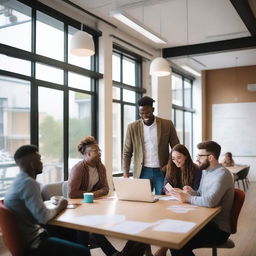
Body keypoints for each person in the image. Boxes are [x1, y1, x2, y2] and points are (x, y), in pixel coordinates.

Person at [4, 145, 90, 256]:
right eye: (39, 159)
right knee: (83, 252)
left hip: (28, 236)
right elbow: (43, 217)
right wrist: (60, 205)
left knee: (72, 232)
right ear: (32, 164)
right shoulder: (29, 184)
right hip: (35, 243)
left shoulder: (18, 182)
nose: (42, 163)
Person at [68, 136, 148, 256]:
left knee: (96, 227)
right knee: (89, 228)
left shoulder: (100, 167)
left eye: (100, 151)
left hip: (91, 205)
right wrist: (93, 194)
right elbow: (72, 193)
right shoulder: (78, 168)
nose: (100, 154)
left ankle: (113, 253)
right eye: (97, 152)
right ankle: (109, 253)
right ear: (88, 154)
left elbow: (105, 188)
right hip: (78, 207)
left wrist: (95, 194)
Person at [168, 141, 234, 256]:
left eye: (200, 156)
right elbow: (201, 194)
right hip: (204, 221)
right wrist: (192, 192)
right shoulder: (206, 171)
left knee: (176, 243)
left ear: (211, 157)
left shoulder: (222, 174)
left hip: (218, 229)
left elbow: (210, 201)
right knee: (174, 236)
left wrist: (187, 198)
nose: (197, 159)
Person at [123, 96, 179, 195]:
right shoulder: (132, 127)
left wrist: (169, 165)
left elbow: (176, 148)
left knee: (165, 197)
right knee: (142, 200)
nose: (145, 116)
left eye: (148, 113)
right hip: (142, 171)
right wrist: (126, 173)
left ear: (153, 110)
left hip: (162, 171)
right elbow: (127, 152)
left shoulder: (167, 124)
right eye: (142, 113)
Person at [154, 144, 202, 256]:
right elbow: (165, 187)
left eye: (179, 157)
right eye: (173, 158)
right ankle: (164, 248)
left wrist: (186, 191)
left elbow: (198, 190)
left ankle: (163, 248)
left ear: (186, 156)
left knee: (173, 223)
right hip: (174, 204)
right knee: (164, 219)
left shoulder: (196, 169)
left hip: (191, 206)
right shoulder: (170, 167)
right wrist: (170, 190)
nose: (176, 161)